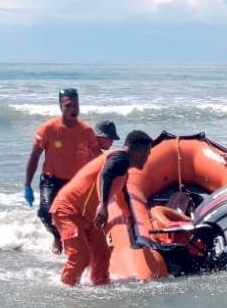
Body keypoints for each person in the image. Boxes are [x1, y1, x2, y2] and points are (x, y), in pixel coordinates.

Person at [49, 130, 153, 286]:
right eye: (147, 152)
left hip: (87, 215)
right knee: (80, 257)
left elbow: (122, 196)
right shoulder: (120, 157)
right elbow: (106, 174)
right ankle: (66, 292)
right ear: (138, 150)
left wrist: (129, 217)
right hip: (68, 210)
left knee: (102, 254)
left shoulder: (123, 170)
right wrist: (103, 205)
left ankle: (100, 286)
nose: (148, 157)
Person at [24, 88, 100, 255]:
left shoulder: (86, 131)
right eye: (68, 105)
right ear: (60, 107)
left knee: (79, 216)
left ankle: (77, 242)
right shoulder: (48, 129)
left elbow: (98, 157)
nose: (73, 109)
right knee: (45, 212)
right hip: (51, 180)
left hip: (76, 182)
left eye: (76, 105)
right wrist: (27, 185)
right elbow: (35, 156)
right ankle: (58, 238)